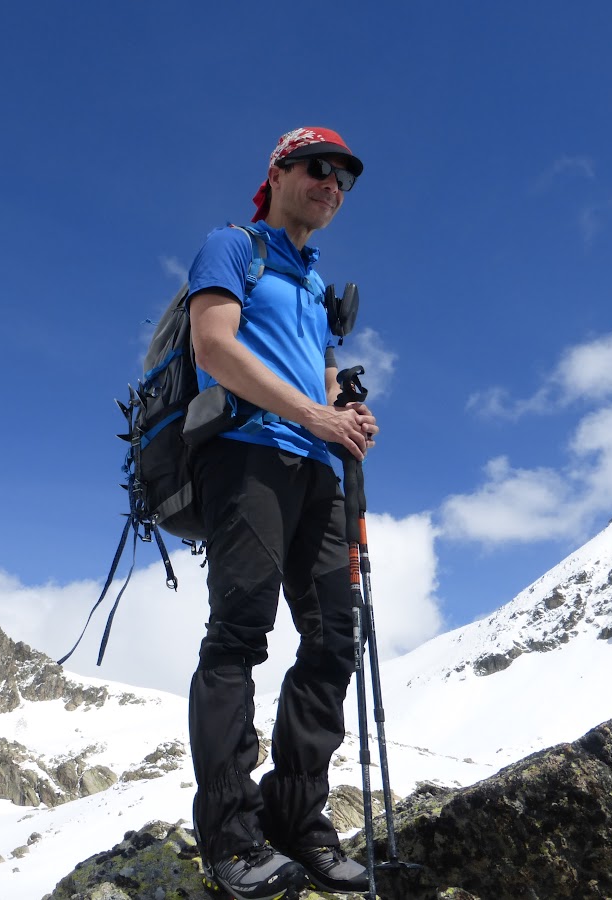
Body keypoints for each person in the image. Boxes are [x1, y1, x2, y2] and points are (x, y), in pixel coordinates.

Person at [186, 126, 379, 900]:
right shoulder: (235, 247)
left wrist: (344, 415)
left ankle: (296, 822)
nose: (332, 183)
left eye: (344, 178)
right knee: (239, 635)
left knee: (334, 639)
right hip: (247, 455)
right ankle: (231, 838)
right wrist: (313, 415)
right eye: (318, 167)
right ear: (279, 171)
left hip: (319, 470)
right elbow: (213, 346)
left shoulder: (315, 282)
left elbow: (323, 380)